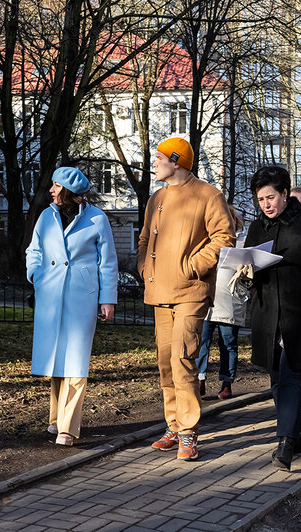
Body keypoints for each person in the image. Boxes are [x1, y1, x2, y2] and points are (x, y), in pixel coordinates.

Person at [138, 137, 236, 461]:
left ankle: (189, 432)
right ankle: (174, 425)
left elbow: (225, 237)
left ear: (176, 161)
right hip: (159, 291)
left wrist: (193, 265)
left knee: (182, 358)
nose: (155, 163)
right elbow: (143, 237)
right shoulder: (156, 198)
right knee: (165, 361)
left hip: (191, 292)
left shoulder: (208, 195)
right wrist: (143, 267)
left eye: (160, 158)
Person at [244, 166, 301, 470]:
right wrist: (245, 274)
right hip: (267, 315)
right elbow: (248, 266)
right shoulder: (257, 228)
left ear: (285, 194)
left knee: (290, 376)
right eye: (260, 200)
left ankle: (284, 442)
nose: (266, 204)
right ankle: (293, 432)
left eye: (270, 197)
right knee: (276, 379)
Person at [26, 167, 118, 446]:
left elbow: (108, 261)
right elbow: (34, 250)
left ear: (68, 191)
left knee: (76, 361)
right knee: (55, 360)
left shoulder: (97, 219)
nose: (51, 191)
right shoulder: (45, 216)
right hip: (51, 294)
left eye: (55, 186)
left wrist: (107, 299)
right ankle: (56, 419)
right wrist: (36, 275)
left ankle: (68, 427)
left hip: (82, 295)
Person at [196, 206, 246, 400]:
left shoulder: (242, 244)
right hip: (207, 300)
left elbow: (250, 275)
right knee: (201, 341)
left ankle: (227, 383)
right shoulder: (207, 242)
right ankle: (199, 379)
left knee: (228, 344)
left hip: (230, 302)